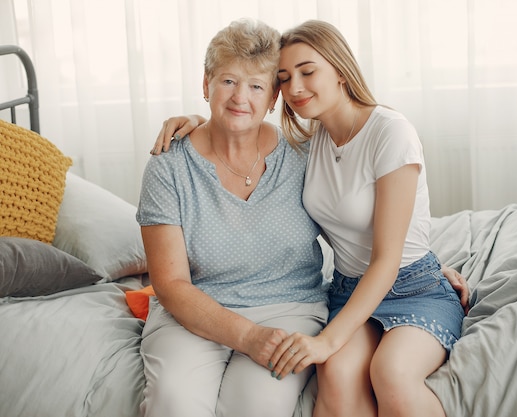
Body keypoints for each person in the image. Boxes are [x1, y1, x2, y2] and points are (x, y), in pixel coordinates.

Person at [151, 20, 470, 417]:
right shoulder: (312, 143)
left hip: (405, 289)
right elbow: (234, 125)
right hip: (349, 291)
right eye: (285, 78)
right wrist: (198, 122)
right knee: (335, 374)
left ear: (339, 70)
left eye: (307, 72)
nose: (296, 87)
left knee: (390, 373)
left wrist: (431, 267)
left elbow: (390, 251)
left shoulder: (383, 133)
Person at [136, 19, 329, 417]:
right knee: (174, 399)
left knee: (259, 405)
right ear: (206, 84)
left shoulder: (303, 154)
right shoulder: (168, 167)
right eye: (228, 81)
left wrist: (418, 267)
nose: (241, 97)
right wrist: (247, 336)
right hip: (191, 315)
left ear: (274, 97)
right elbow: (170, 284)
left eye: (256, 86)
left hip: (289, 309)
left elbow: (358, 225)